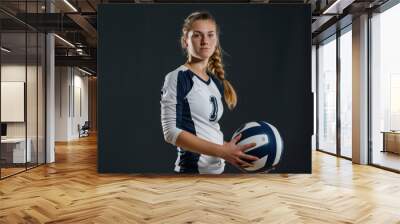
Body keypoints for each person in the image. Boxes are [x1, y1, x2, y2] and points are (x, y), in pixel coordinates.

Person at [160, 11, 257, 174]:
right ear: (186, 41)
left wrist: (229, 149)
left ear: (216, 40)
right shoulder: (178, 77)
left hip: (216, 171)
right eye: (197, 35)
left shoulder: (212, 82)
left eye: (210, 35)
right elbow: (170, 132)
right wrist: (222, 152)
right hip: (191, 173)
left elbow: (207, 129)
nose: (205, 41)